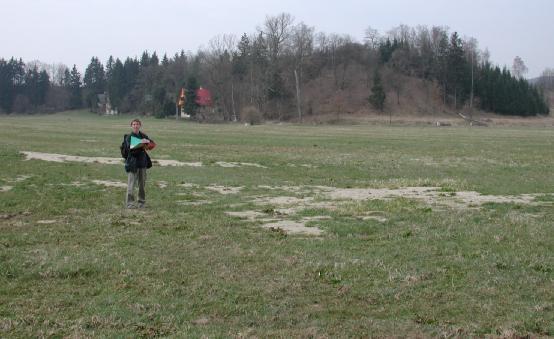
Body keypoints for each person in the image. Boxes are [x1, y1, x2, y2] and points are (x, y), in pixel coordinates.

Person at [122, 118, 155, 208]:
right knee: (131, 184)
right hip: (132, 163)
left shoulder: (143, 135)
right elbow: (130, 147)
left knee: (142, 185)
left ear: (140, 126)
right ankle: (130, 203)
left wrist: (148, 143)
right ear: (131, 126)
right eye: (134, 124)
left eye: (137, 124)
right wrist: (141, 143)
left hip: (142, 163)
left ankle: (141, 203)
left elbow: (152, 144)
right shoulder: (129, 137)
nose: (136, 126)